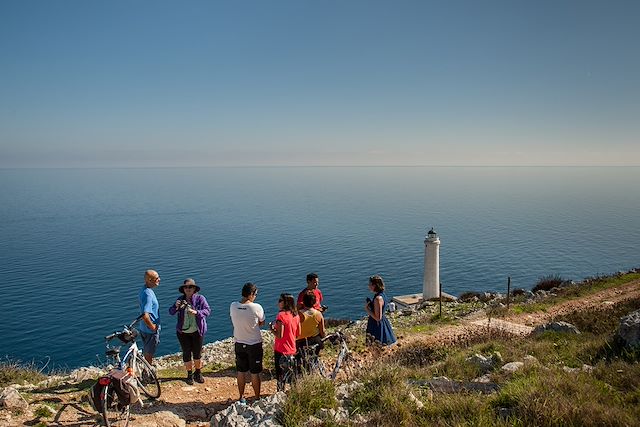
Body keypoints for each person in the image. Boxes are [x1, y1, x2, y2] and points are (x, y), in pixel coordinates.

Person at [168, 278, 211, 384]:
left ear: (194, 289)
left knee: (197, 353)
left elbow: (207, 311)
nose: (188, 289)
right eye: (186, 287)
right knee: (186, 353)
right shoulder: (180, 299)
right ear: (183, 289)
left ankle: (198, 372)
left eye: (190, 287)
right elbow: (171, 312)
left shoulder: (200, 299)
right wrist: (176, 306)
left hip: (197, 331)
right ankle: (189, 374)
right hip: (183, 332)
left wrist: (196, 312)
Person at [230, 282, 265, 402]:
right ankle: (257, 398)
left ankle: (241, 397)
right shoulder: (256, 307)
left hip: (239, 342)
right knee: (255, 373)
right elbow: (261, 322)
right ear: (251, 294)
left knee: (241, 371)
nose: (255, 296)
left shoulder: (233, 305)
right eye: (255, 294)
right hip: (254, 343)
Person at [271, 293, 300, 385]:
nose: (278, 302)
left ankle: (280, 393)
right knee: (292, 373)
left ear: (285, 303)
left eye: (280, 300)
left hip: (281, 349)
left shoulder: (281, 316)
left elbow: (280, 335)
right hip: (292, 348)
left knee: (280, 375)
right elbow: (298, 333)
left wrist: (272, 329)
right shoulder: (296, 315)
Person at [364, 275, 396, 346]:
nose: (368, 286)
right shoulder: (383, 295)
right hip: (383, 323)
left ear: (375, 285)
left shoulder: (377, 299)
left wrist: (367, 309)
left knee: (377, 347)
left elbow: (378, 318)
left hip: (377, 325)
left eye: (370, 284)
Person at [139, 269, 161, 364]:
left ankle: (146, 371)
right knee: (149, 353)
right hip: (149, 330)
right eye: (156, 278)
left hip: (143, 328)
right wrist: (152, 327)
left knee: (147, 350)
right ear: (149, 280)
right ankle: (148, 374)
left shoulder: (144, 290)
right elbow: (145, 314)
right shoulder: (148, 294)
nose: (159, 279)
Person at [296, 290, 326, 358]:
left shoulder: (297, 314)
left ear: (303, 301)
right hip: (314, 341)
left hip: (300, 343)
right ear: (314, 302)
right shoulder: (318, 314)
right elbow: (322, 331)